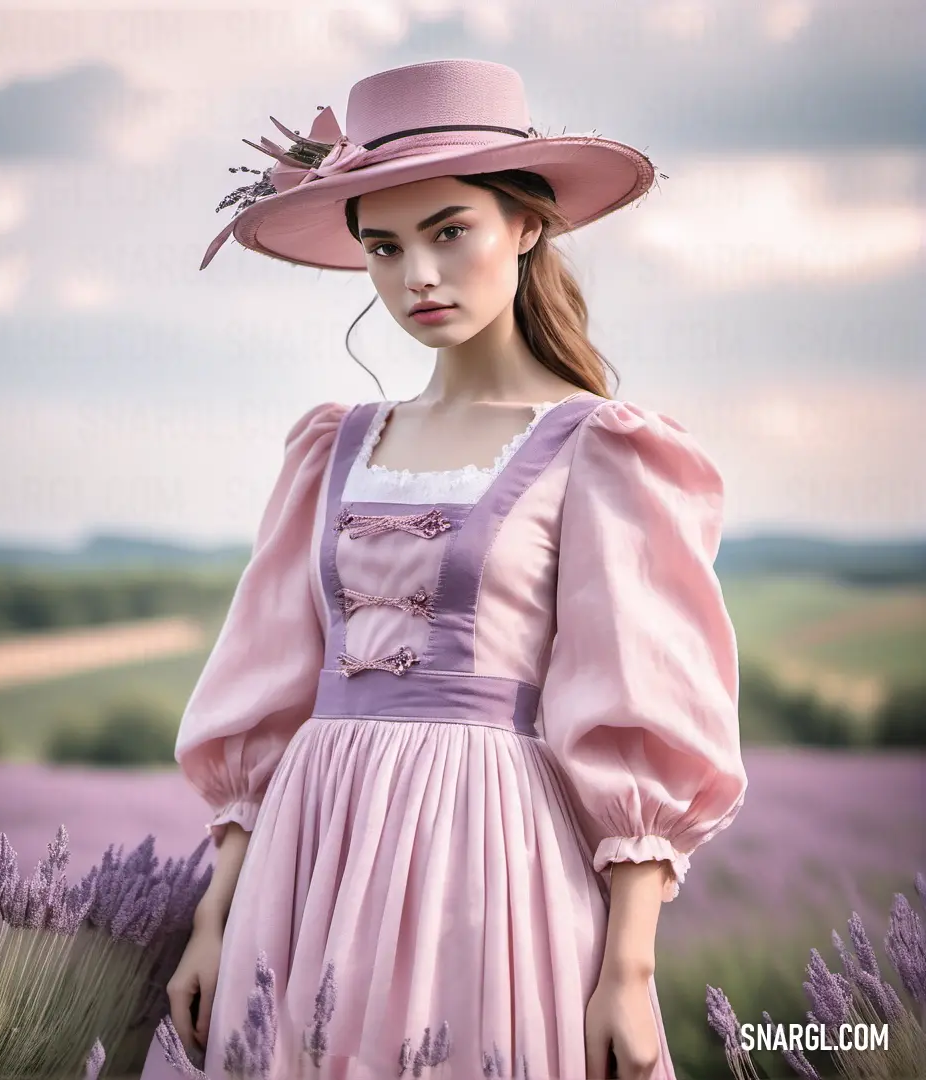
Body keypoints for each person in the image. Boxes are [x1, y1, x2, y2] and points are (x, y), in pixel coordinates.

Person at [141, 59, 748, 1080]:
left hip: (492, 875)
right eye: (385, 246)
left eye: (449, 231)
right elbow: (267, 697)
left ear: (527, 226)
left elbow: (643, 708)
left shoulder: (602, 449)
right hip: (307, 865)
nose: (415, 275)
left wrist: (629, 970)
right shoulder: (332, 447)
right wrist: (214, 916)